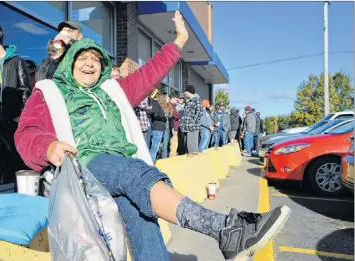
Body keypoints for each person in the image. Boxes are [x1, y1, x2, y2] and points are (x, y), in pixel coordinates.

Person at [15, 11, 290, 261]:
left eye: (95, 60)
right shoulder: (50, 92)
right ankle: (223, 229)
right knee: (137, 173)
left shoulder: (114, 91)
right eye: (82, 59)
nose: (89, 64)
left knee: (141, 212)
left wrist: (180, 40)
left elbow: (150, 73)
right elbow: (27, 132)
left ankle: (226, 234)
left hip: (121, 165)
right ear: (70, 65)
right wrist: (48, 147)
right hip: (85, 164)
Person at [0, 23, 31, 189]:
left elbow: (25, 90)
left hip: (11, 120)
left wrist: (21, 118)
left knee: (12, 158)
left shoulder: (16, 61)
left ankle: (19, 194)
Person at [179, 85, 202, 156]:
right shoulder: (189, 101)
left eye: (185, 91)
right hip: (188, 128)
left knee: (192, 147)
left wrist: (192, 123)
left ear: (189, 92)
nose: (185, 93)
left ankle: (196, 164)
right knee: (189, 146)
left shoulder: (196, 100)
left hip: (193, 128)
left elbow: (199, 112)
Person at [147, 91, 169, 161]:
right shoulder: (155, 104)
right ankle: (151, 163)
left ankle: (152, 161)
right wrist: (163, 118)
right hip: (158, 128)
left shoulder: (157, 105)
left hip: (158, 128)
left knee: (155, 147)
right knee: (154, 148)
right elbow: (154, 113)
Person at [169, 92, 180, 157]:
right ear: (172, 98)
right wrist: (179, 116)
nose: (177, 100)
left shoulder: (174, 106)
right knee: (174, 144)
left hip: (175, 127)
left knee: (174, 144)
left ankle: (172, 156)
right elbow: (174, 115)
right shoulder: (170, 106)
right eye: (176, 99)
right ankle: (172, 157)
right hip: (173, 127)